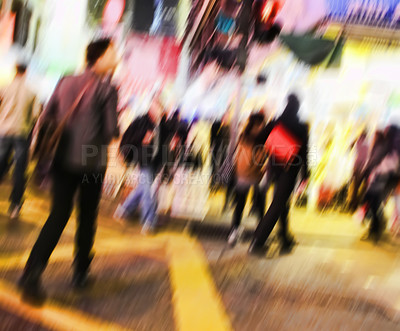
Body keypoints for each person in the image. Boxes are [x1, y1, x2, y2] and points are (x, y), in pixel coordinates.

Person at [19, 38, 119, 303]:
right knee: (87, 217)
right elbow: (110, 131)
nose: (116, 56)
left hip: (61, 158)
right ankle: (80, 272)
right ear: (99, 58)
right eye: (112, 53)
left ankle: (32, 270)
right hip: (91, 163)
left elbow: (48, 113)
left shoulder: (65, 81)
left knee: (58, 214)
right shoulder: (107, 88)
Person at [249, 94, 309, 256]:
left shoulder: (277, 122)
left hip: (274, 168)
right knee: (278, 204)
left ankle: (284, 237)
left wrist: (274, 147)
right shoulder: (301, 126)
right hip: (290, 170)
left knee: (282, 203)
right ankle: (258, 240)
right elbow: (304, 153)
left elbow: (259, 139)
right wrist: (305, 174)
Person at [115, 99, 163, 234]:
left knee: (142, 188)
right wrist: (143, 137)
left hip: (155, 162)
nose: (157, 111)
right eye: (155, 108)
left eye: (159, 108)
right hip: (144, 160)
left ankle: (124, 210)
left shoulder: (159, 124)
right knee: (148, 191)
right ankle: (149, 222)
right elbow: (129, 136)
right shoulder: (141, 120)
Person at [0, 63, 40, 219]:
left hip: (3, 131)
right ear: (26, 71)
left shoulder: (5, 88)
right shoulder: (31, 92)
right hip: (21, 133)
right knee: (19, 169)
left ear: (15, 70)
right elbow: (36, 114)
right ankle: (15, 205)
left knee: (1, 163)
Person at [228, 113, 266, 246]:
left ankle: (236, 231)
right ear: (257, 124)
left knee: (243, 204)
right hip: (252, 175)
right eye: (261, 123)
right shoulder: (259, 139)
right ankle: (258, 234)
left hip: (245, 175)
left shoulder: (243, 136)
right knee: (256, 204)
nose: (262, 126)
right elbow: (260, 159)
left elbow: (239, 155)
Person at [362, 126, 400, 243]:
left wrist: (367, 172)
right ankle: (376, 226)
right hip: (390, 178)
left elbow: (375, 160)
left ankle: (376, 227)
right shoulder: (393, 146)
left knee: (372, 201)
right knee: (377, 202)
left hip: (382, 177)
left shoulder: (385, 144)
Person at [349, 131, 369, 212]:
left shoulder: (357, 141)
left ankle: (352, 206)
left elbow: (349, 147)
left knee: (354, 187)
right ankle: (358, 204)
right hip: (364, 168)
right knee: (362, 188)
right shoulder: (368, 144)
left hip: (356, 167)